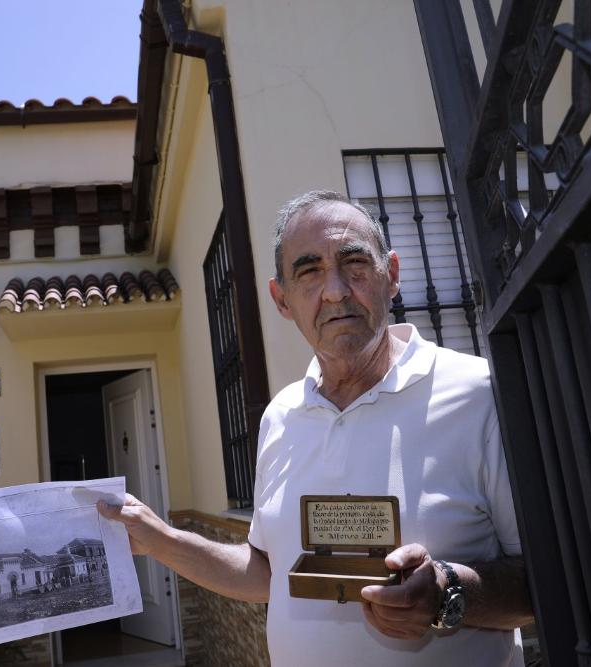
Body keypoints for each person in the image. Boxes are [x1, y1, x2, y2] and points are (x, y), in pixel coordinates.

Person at [99, 190, 533, 665]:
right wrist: (162, 539)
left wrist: (448, 593)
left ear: (391, 275)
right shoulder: (281, 416)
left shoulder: (479, 392)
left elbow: (547, 578)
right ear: (281, 299)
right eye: (309, 272)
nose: (335, 290)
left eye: (354, 263)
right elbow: (267, 573)